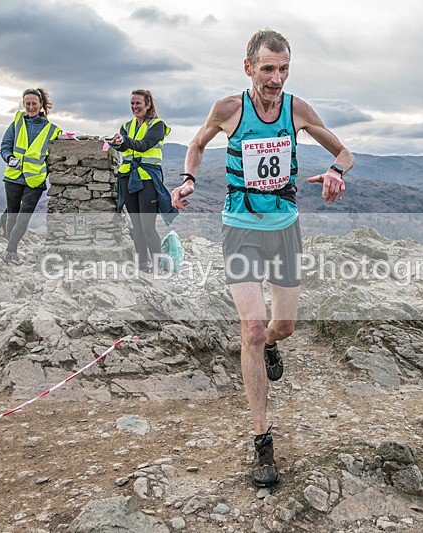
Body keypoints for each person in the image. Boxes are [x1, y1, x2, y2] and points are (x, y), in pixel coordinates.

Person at [171, 29, 355, 487]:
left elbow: (345, 151)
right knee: (251, 328)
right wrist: (189, 179)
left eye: (283, 68)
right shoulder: (228, 109)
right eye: (268, 68)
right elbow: (196, 143)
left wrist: (335, 171)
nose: (276, 78)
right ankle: (262, 440)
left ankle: (273, 344)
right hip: (240, 230)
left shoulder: (297, 109)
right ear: (248, 66)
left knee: (282, 328)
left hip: (285, 229)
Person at [107, 89, 174, 272]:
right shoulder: (126, 126)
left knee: (147, 225)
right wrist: (116, 143)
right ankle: (142, 264)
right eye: (132, 104)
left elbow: (143, 145)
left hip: (147, 179)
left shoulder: (158, 125)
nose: (135, 107)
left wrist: (125, 141)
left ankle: (157, 265)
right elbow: (124, 148)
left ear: (148, 104)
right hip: (127, 177)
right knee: (136, 225)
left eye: (138, 103)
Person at [0, 87, 61, 265]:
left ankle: (9, 252)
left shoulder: (52, 130)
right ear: (24, 104)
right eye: (27, 103)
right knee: (12, 216)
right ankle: (12, 251)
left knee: (23, 217)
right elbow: (5, 145)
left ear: (41, 104)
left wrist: (45, 171)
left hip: (34, 180)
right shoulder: (17, 122)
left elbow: (54, 157)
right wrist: (8, 157)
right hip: (13, 176)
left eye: (34, 103)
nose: (31, 107)